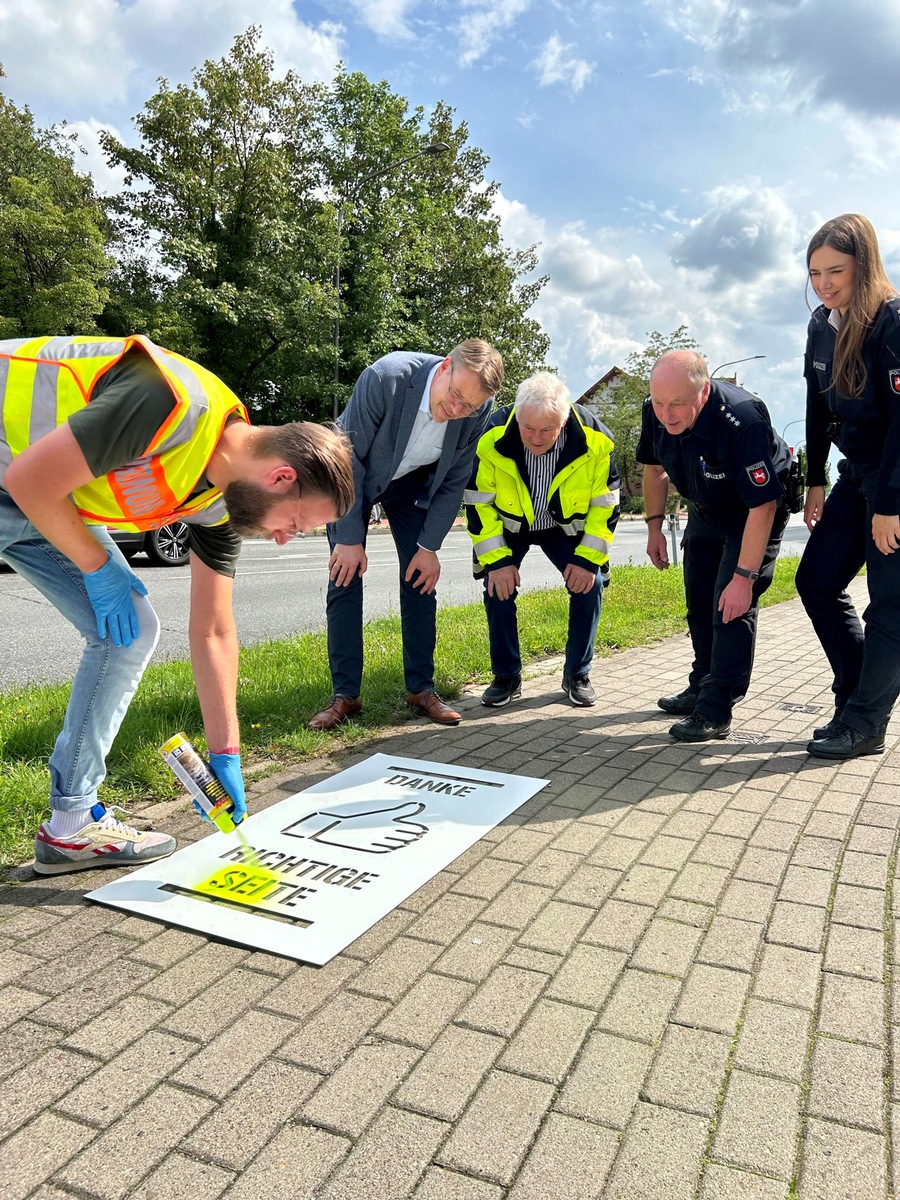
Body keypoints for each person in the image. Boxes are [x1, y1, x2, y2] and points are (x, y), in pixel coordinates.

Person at [0, 334, 353, 874]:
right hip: (21, 484)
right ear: (281, 478)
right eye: (297, 524)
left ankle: (71, 825)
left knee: (129, 630)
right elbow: (30, 479)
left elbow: (214, 630)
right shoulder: (170, 403)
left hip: (29, 502)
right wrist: (98, 569)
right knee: (121, 615)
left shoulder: (218, 503)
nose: (285, 538)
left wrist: (226, 754)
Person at [308, 339, 502, 731]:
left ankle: (420, 687)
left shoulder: (478, 413)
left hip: (413, 488)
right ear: (445, 367)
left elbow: (454, 480)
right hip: (354, 479)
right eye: (455, 397)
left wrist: (429, 547)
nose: (457, 411)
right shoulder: (387, 378)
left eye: (469, 407)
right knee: (344, 576)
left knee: (420, 578)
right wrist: (349, 538)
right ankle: (345, 695)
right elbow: (347, 457)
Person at [637, 350, 791, 742]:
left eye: (677, 404)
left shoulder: (743, 420)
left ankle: (716, 708)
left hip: (752, 512)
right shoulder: (653, 410)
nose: (666, 415)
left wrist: (744, 578)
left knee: (731, 607)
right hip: (705, 508)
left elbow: (764, 504)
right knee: (700, 602)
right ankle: (700, 684)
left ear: (703, 392)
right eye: (659, 403)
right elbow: (654, 468)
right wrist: (654, 527)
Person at [797, 214, 900, 760]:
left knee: (889, 607)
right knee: (815, 581)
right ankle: (857, 695)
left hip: (895, 480)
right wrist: (814, 480)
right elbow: (816, 406)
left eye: (835, 270)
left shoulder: (893, 323)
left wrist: (890, 505)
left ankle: (865, 723)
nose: (824, 283)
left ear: (865, 264)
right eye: (814, 272)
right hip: (853, 477)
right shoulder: (821, 325)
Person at [465, 371, 619, 707]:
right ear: (517, 416)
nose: (536, 438)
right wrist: (499, 562)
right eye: (528, 428)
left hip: (564, 526)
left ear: (563, 421)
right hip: (511, 523)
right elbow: (478, 505)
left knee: (589, 584)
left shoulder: (597, 441)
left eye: (547, 430)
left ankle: (577, 673)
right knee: (497, 585)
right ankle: (506, 676)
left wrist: (586, 561)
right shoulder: (489, 436)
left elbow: (605, 507)